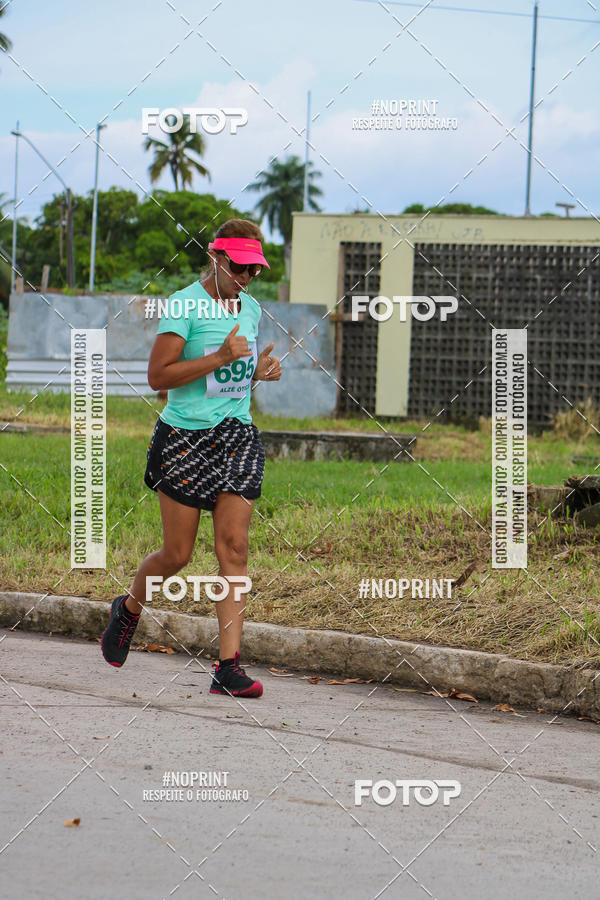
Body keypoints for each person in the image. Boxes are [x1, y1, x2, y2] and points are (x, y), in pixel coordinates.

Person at [101, 218, 282, 698]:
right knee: (177, 556)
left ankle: (228, 668)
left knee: (234, 549)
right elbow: (159, 377)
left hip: (237, 435)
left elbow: (235, 376)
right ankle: (130, 607)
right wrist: (221, 357)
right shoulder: (184, 304)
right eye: (239, 268)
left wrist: (259, 371)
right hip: (184, 438)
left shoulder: (251, 308)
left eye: (254, 271)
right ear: (216, 258)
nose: (246, 278)